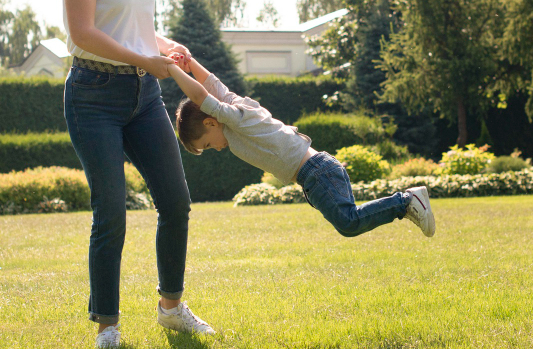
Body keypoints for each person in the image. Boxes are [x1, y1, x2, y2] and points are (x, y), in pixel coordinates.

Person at [62, 0, 214, 349]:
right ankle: (107, 326)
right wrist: (144, 59)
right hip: (94, 97)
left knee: (176, 202)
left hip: (144, 96)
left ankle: (172, 309)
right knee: (111, 210)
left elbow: (136, 32)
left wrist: (168, 49)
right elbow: (83, 34)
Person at [166, 54, 436, 239]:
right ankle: (405, 202)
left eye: (208, 144)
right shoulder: (237, 107)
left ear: (211, 123)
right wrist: (190, 62)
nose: (216, 148)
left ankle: (406, 201)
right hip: (315, 172)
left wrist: (173, 69)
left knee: (349, 223)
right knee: (348, 221)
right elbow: (213, 85)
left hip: (316, 172)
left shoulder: (235, 119)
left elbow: (203, 95)